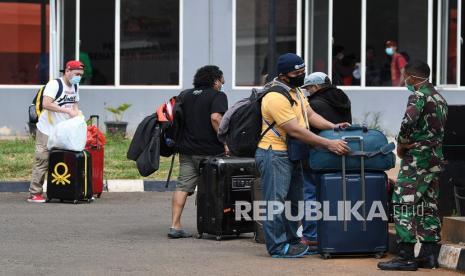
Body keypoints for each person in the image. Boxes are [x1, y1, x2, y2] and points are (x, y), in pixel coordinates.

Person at [255, 53, 350, 258]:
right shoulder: (275, 96)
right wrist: (329, 144)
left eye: (302, 72)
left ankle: (292, 240)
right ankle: (278, 247)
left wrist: (333, 127)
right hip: (274, 154)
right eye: (296, 73)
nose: (301, 76)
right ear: (283, 75)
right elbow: (295, 130)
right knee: (276, 203)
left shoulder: (296, 91)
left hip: (293, 153)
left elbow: (310, 116)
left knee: (294, 202)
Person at [378, 60, 448, 271]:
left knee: (402, 201)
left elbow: (408, 121)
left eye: (404, 76)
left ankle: (405, 256)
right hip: (435, 157)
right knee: (428, 205)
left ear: (412, 77)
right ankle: (429, 255)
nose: (403, 80)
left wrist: (402, 143)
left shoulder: (418, 96)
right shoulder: (439, 98)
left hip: (417, 157)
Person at [168, 65, 228, 238]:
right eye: (221, 81)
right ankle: (214, 225)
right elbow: (216, 118)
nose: (222, 84)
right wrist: (225, 141)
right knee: (214, 189)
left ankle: (175, 225)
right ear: (215, 80)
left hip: (186, 150)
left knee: (182, 186)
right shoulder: (218, 95)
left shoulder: (186, 95)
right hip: (210, 152)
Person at [299, 72, 352, 249]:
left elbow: (304, 130)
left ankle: (312, 235)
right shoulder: (343, 99)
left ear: (315, 87)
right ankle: (335, 233)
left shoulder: (313, 104)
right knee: (335, 194)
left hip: (316, 155)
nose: (307, 92)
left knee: (311, 194)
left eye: (308, 88)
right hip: (339, 153)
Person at [28, 60, 83, 203]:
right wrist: (66, 110)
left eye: (81, 75)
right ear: (67, 71)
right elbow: (46, 104)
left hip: (63, 132)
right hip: (47, 130)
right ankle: (34, 193)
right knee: (43, 160)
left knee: (63, 160)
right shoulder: (55, 85)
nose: (79, 77)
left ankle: (63, 190)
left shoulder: (75, 86)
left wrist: (77, 117)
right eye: (76, 74)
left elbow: (75, 106)